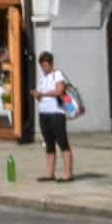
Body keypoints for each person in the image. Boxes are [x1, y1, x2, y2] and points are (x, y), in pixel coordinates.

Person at [35, 52, 74, 182]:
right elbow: (40, 95)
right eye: (42, 66)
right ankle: (49, 173)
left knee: (62, 142)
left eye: (45, 66)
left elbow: (59, 90)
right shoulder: (42, 78)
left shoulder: (57, 74)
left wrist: (44, 94)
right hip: (44, 113)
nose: (44, 69)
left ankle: (68, 174)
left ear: (51, 64)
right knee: (48, 144)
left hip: (56, 113)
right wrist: (37, 94)